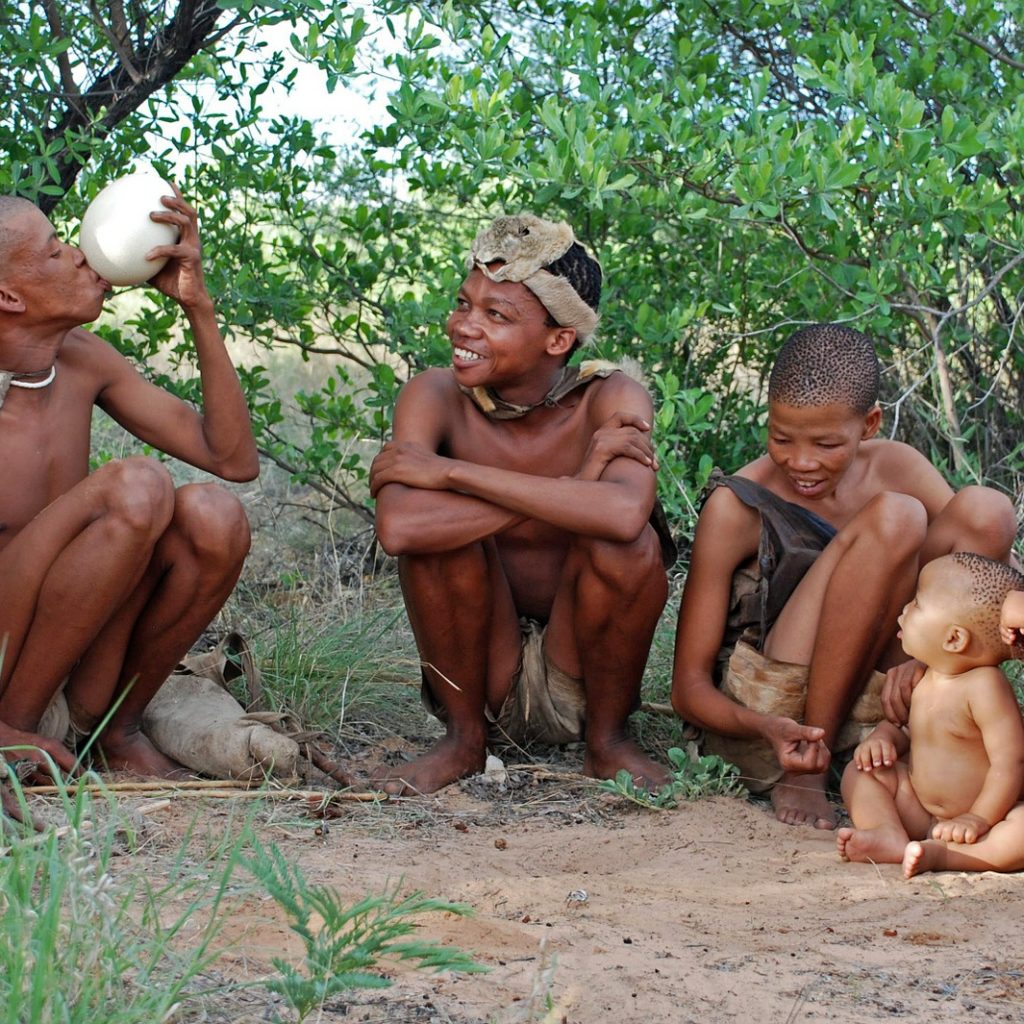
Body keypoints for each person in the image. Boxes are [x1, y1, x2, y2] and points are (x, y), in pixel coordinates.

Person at [369, 213, 674, 795]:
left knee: (630, 549)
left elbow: (622, 515)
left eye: (496, 315)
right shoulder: (435, 395)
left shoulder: (611, 397)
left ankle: (608, 742)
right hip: (484, 667)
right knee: (440, 542)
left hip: (578, 669)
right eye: (464, 304)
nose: (465, 327)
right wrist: (579, 479)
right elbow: (401, 529)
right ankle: (463, 741)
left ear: (558, 340)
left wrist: (451, 473)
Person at [671, 323, 1017, 830]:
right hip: (781, 702)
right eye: (781, 438)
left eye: (827, 444)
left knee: (987, 511)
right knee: (897, 518)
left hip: (881, 685)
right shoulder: (735, 505)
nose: (801, 461)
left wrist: (930, 659)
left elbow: (979, 581)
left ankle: (922, 728)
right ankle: (812, 765)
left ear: (870, 423)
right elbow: (687, 687)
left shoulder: (897, 465)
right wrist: (765, 725)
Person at [0, 186, 259, 787]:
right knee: (135, 485)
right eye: (56, 250)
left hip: (72, 653)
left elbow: (233, 458)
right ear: (8, 295)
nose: (84, 255)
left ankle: (114, 727)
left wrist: (198, 306)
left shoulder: (83, 359)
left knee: (214, 517)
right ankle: (13, 730)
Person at [837, 552, 1024, 876]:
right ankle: (888, 832)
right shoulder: (924, 677)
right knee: (861, 773)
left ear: (954, 638)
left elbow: (1010, 762)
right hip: (920, 810)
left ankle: (951, 857)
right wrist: (883, 738)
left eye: (917, 604)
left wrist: (978, 817)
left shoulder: (985, 687)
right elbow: (910, 730)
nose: (905, 610)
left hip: (985, 820)